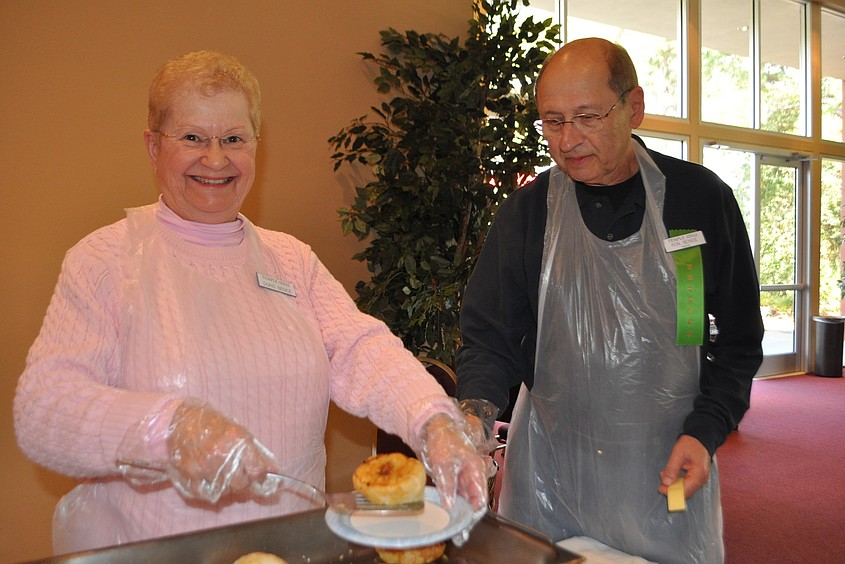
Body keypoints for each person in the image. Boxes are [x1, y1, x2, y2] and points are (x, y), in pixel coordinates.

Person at [14, 50, 489, 554]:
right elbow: (43, 409)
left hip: (291, 547)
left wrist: (433, 421)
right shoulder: (106, 261)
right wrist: (169, 429)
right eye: (193, 137)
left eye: (234, 139)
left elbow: (359, 349)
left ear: (256, 146)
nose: (215, 159)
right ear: (153, 147)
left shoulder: (291, 260)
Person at [454, 38, 763, 563]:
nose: (568, 139)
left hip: (669, 462)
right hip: (551, 472)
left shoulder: (699, 201)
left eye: (587, 117)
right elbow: (489, 337)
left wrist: (707, 429)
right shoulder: (527, 215)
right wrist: (474, 419)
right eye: (552, 121)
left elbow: (736, 338)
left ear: (633, 108)